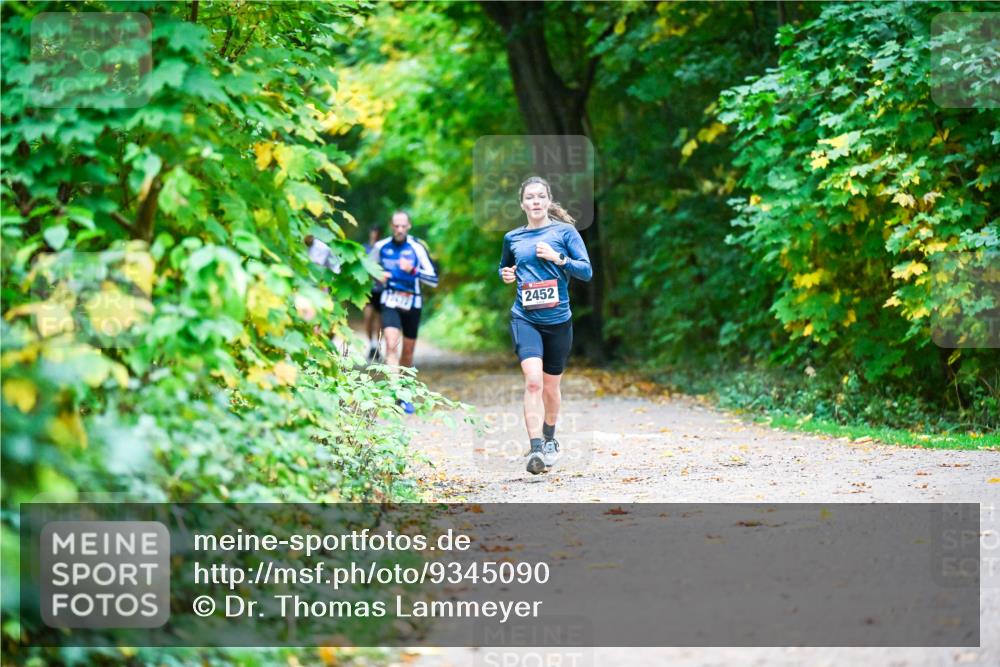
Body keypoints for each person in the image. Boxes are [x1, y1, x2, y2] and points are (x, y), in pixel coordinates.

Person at [498, 176, 592, 474]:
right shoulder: (513, 238)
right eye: (530, 197)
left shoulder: (564, 232)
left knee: (551, 388)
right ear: (522, 204)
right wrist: (506, 274)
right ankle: (536, 449)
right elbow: (504, 267)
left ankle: (550, 438)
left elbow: (586, 271)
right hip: (525, 318)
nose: (535, 201)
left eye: (540, 196)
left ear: (548, 200)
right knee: (533, 382)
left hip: (558, 320)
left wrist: (558, 258)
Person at [370, 211, 438, 413]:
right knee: (391, 344)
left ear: (409, 227)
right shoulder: (380, 247)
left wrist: (413, 271)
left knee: (407, 352)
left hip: (412, 303)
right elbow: (366, 269)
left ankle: (405, 394)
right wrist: (377, 274)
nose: (399, 229)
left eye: (403, 226)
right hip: (389, 300)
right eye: (396, 226)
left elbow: (434, 280)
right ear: (391, 226)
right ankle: (395, 393)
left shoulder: (417, 248)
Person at [362, 226, 384, 362]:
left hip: (381, 289)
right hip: (368, 289)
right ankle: (371, 344)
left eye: (377, 233)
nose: (374, 235)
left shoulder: (383, 249)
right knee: (368, 317)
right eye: (373, 233)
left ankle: (376, 346)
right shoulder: (364, 249)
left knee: (379, 319)